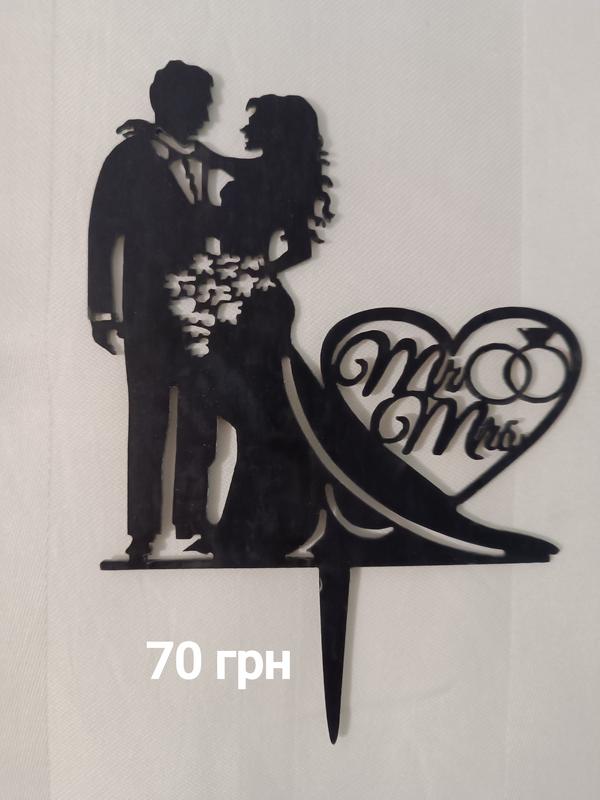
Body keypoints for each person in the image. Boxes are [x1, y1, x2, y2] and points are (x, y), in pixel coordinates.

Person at [167, 95, 558, 567]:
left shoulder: (270, 175)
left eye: (256, 122)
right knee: (271, 420)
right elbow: (240, 190)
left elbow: (287, 240)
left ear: (275, 130)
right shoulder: (275, 172)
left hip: (253, 308)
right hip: (240, 304)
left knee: (268, 420)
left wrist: (250, 274)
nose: (247, 128)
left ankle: (256, 530)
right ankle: (257, 528)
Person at [88, 61, 223, 564]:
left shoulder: (205, 160)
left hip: (203, 315)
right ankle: (142, 534)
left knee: (201, 418)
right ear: (173, 102)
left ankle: (194, 521)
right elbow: (102, 235)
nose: (208, 113)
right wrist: (102, 312)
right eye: (201, 102)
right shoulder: (127, 158)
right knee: (147, 422)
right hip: (146, 314)